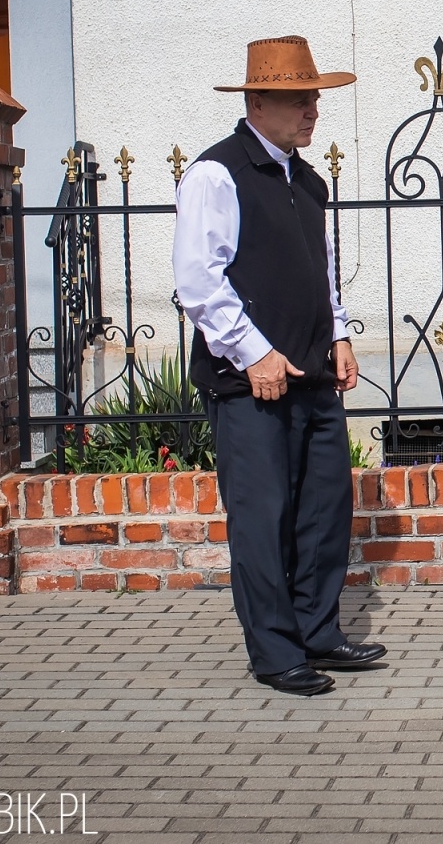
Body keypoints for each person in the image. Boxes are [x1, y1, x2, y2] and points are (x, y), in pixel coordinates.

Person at [173, 35, 386, 697]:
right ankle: (274, 652)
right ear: (258, 102)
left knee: (325, 509)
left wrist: (340, 335)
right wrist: (254, 352)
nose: (312, 111)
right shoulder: (216, 174)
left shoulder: (307, 179)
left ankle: (317, 631)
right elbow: (199, 282)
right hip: (249, 381)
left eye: (315, 99)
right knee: (263, 518)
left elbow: (318, 274)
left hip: (311, 373)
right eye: (299, 99)